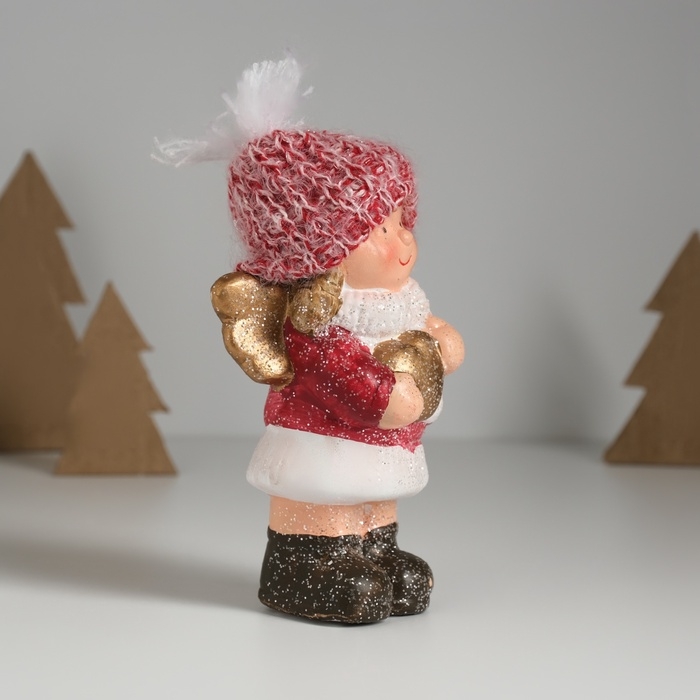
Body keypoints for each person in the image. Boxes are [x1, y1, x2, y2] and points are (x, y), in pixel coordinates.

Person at [156, 57, 464, 623]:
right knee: (328, 502)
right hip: (322, 444)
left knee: (373, 499)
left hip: (382, 447)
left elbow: (424, 336)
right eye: (378, 230)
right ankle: (303, 565)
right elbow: (347, 379)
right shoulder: (315, 327)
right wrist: (389, 395)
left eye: (402, 222)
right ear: (321, 253)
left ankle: (376, 550)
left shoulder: (399, 305)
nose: (402, 243)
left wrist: (440, 344)